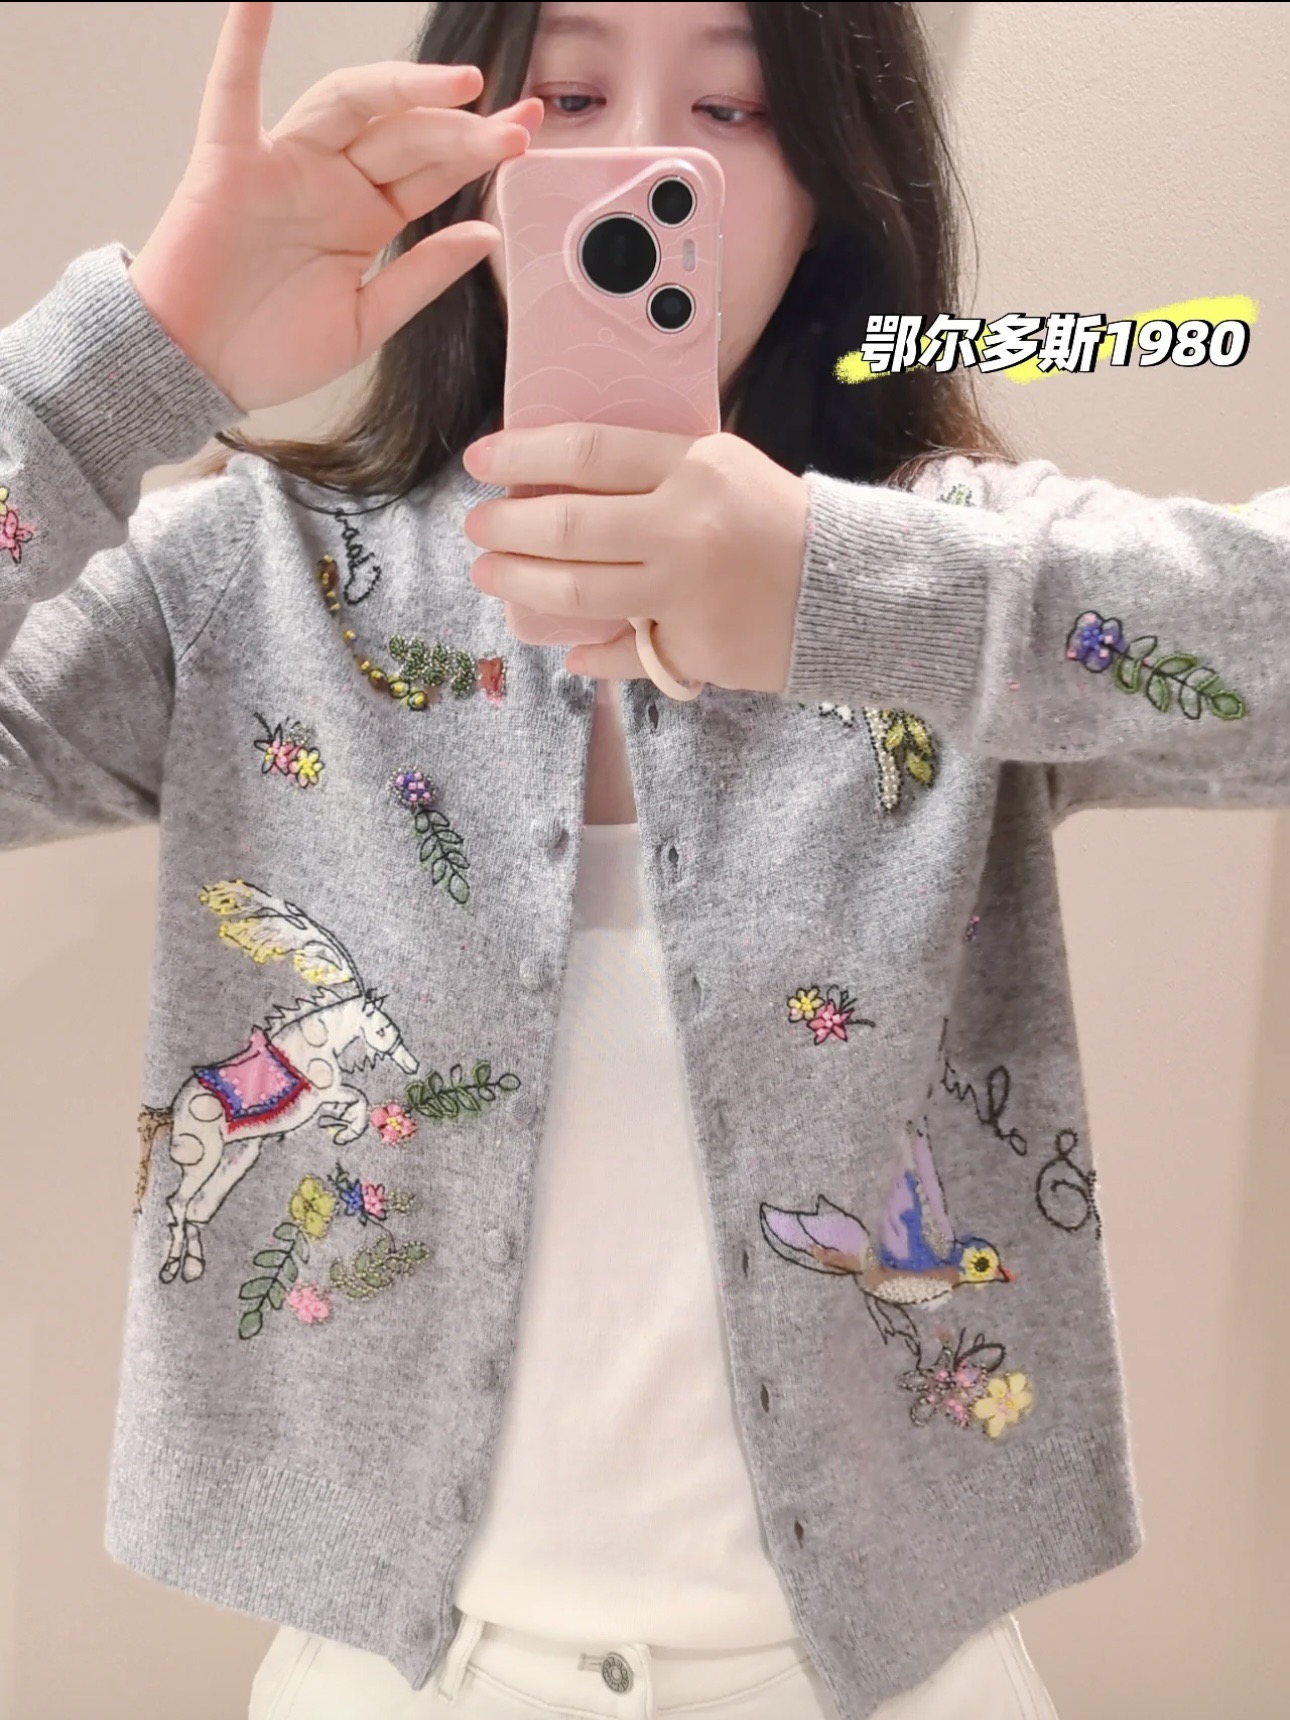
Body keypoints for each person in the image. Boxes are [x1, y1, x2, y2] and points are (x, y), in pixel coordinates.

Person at [1, 2, 1285, 1717]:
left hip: (884, 1683)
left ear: (831, 183)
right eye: (569, 91)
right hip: (401, 1683)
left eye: (733, 107)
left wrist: (842, 593)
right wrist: (125, 358)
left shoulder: (944, 570)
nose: (639, 159)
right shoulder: (252, 587)